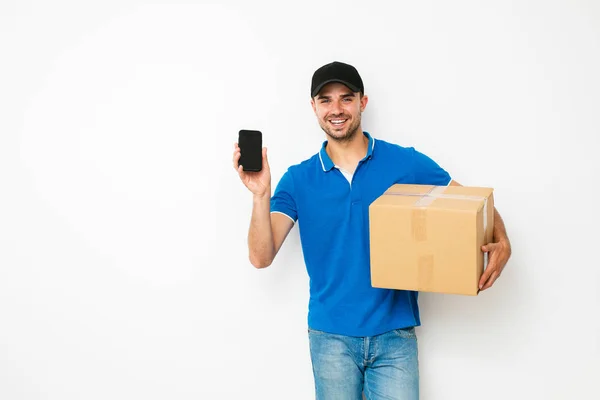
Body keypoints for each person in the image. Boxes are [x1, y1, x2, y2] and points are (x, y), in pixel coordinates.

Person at [232, 61, 512, 400]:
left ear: (362, 102)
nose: (336, 109)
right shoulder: (298, 179)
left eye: (346, 98)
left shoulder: (404, 162)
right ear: (314, 108)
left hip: (395, 335)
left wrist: (502, 239)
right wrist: (261, 193)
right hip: (330, 336)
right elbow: (261, 257)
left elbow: (469, 202)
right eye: (325, 100)